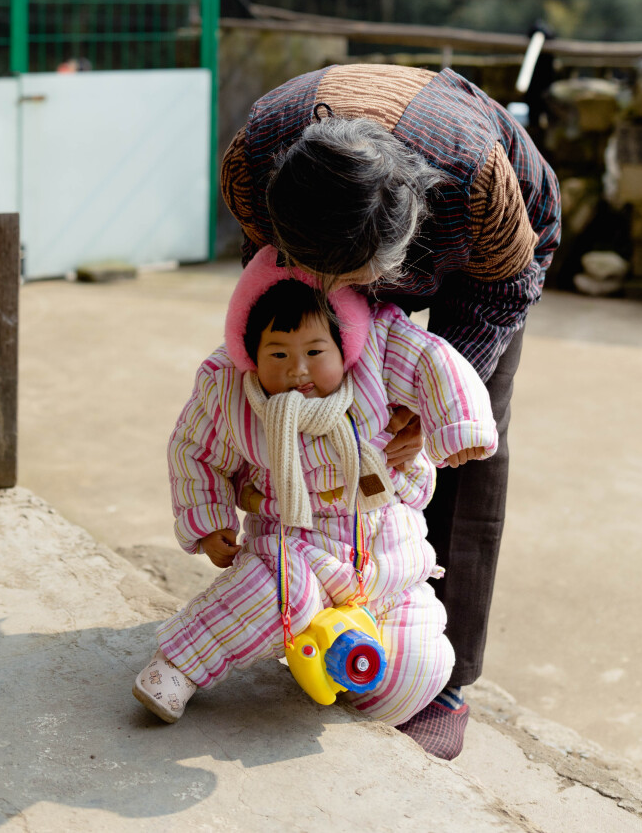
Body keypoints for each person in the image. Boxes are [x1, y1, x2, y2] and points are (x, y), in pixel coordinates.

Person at [219, 63, 561, 757]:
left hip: (488, 268)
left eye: (358, 281)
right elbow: (267, 286)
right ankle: (337, 617)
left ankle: (446, 676)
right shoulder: (255, 158)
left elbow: (507, 288)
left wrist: (430, 406)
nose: (344, 293)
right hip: (330, 239)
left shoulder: (476, 183)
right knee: (316, 404)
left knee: (467, 439)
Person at [133, 248, 497, 749]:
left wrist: (459, 426)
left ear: (342, 343)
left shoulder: (377, 352)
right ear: (250, 351)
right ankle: (178, 664)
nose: (299, 370)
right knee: (270, 592)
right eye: (278, 354)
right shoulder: (231, 391)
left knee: (422, 662)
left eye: (315, 352)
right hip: (298, 547)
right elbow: (195, 450)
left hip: (386, 555)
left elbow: (434, 360)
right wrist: (209, 520)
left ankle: (341, 670)